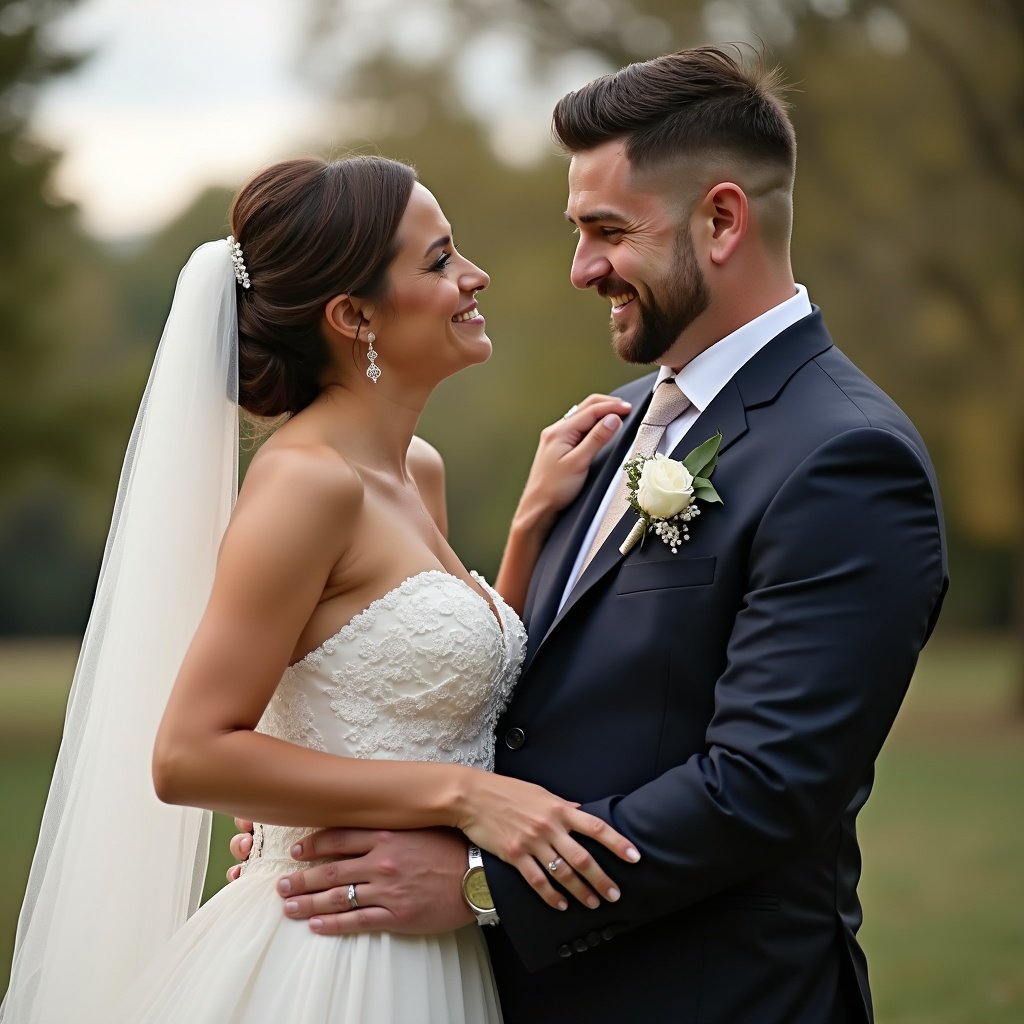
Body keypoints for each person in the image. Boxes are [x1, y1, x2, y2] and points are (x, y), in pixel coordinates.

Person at [246, 47, 949, 1023]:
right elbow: (512, 691)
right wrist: (350, 812)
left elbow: (762, 785)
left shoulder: (845, 457)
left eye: (606, 231)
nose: (582, 269)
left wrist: (481, 882)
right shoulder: (610, 428)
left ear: (720, 220)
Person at [0, 155, 642, 1024]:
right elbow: (191, 754)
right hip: (334, 962)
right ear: (352, 317)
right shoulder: (307, 484)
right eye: (439, 259)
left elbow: (450, 696)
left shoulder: (417, 471)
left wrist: (527, 528)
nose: (473, 275)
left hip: (440, 941)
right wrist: (463, 797)